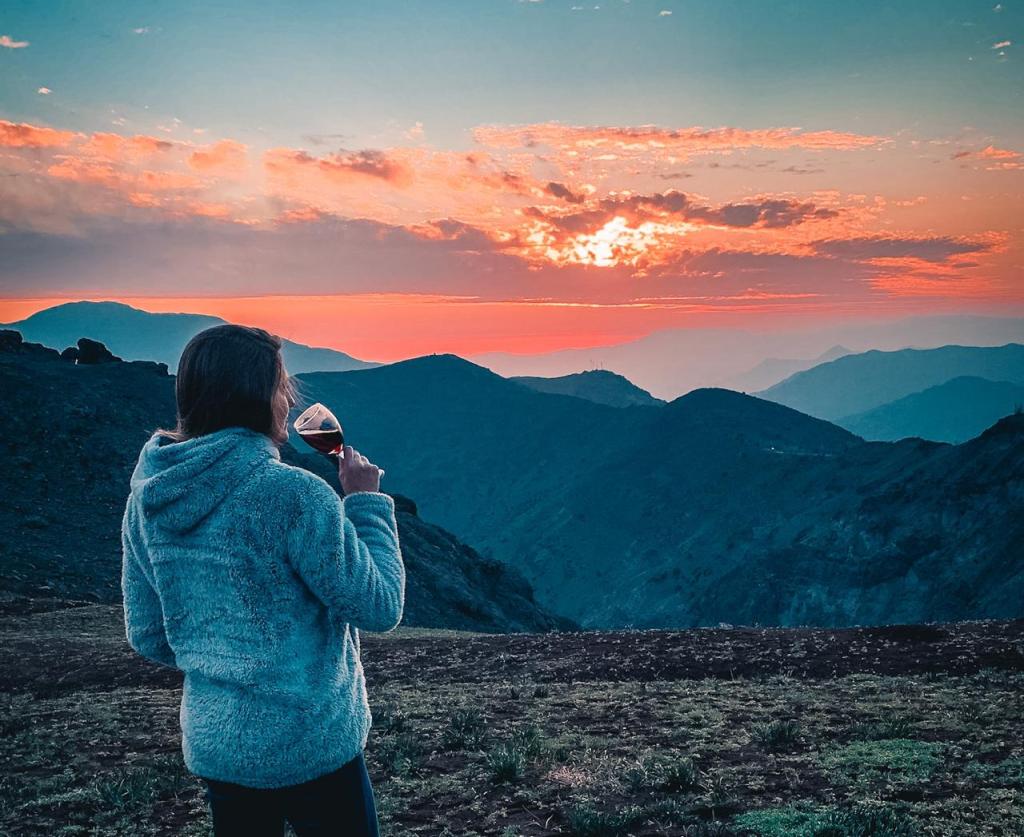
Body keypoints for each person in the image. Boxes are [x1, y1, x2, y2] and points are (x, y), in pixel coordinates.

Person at [120, 323, 404, 836]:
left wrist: (222, 658)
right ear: (261, 397)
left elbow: (149, 634)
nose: (289, 397)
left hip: (220, 749)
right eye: (282, 384)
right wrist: (365, 503)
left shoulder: (148, 498)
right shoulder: (293, 495)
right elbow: (380, 605)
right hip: (311, 742)